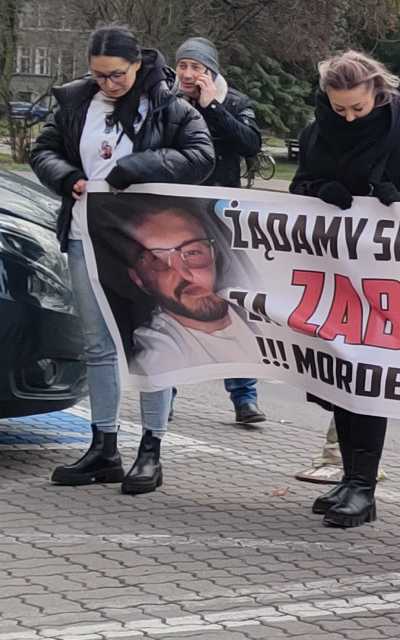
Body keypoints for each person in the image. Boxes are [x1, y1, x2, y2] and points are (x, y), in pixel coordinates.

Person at [29, 25, 214, 495]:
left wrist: (138, 167)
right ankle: (103, 445)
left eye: (116, 75)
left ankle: (150, 449)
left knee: (149, 343)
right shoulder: (76, 101)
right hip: (86, 235)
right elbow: (43, 149)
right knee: (98, 345)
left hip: (146, 245)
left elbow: (200, 154)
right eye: (98, 76)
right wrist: (66, 175)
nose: (107, 84)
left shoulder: (169, 104)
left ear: (137, 65)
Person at [290, 50, 400, 528]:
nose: (350, 116)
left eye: (358, 107)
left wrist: (398, 200)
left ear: (376, 92)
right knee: (338, 373)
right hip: (332, 270)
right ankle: (349, 474)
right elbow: (300, 186)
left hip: (382, 278)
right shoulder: (318, 131)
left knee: (367, 377)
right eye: (340, 108)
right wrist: (321, 191)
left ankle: (364, 484)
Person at [172, 36, 266, 425]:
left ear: (212, 71)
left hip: (221, 218)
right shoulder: (167, 102)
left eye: (198, 67)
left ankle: (244, 398)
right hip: (176, 217)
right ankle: (165, 392)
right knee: (171, 304)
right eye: (183, 66)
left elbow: (250, 145)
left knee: (229, 304)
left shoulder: (236, 103)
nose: (190, 74)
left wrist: (214, 108)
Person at [123, 203, 260, 375]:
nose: (185, 274)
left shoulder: (257, 307)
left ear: (213, 255)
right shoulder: (159, 354)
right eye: (158, 259)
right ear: (138, 279)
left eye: (193, 252)